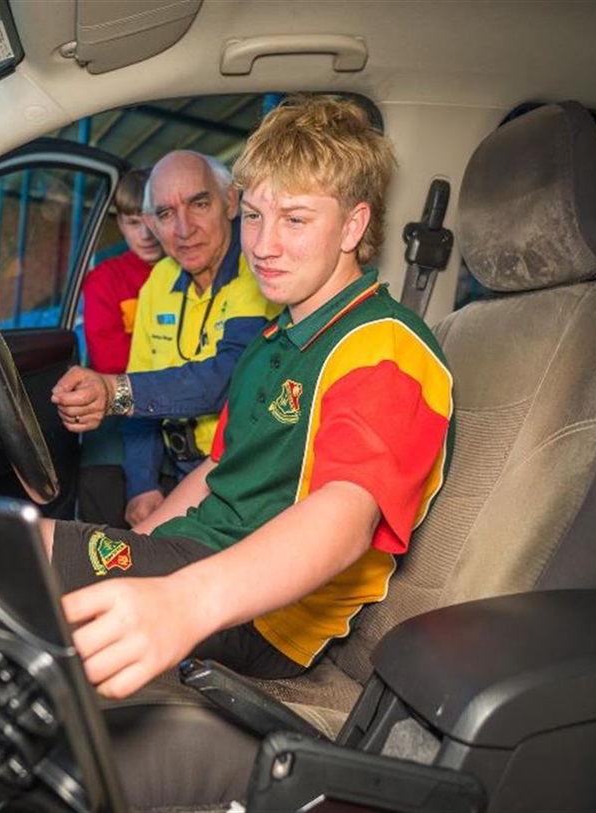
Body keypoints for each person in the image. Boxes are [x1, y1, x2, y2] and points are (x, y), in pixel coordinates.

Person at [41, 95, 454, 703]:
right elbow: (217, 468)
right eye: (255, 216)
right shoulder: (273, 339)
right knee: (9, 551)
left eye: (295, 219)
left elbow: (344, 520)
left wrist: (184, 603)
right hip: (204, 557)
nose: (262, 245)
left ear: (354, 226)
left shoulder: (383, 349)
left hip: (268, 612)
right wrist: (143, 544)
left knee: (18, 551)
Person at [54, 150, 276, 527]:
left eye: (199, 204)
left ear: (231, 201)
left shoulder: (258, 270)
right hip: (176, 464)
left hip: (239, 472)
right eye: (166, 214)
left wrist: (114, 392)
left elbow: (226, 379)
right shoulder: (159, 280)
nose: (184, 230)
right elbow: (141, 386)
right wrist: (141, 485)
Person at [77, 168, 163, 527]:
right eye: (132, 222)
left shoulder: (189, 273)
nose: (145, 234)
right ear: (120, 222)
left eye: (155, 218)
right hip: (119, 422)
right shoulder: (105, 279)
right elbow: (109, 361)